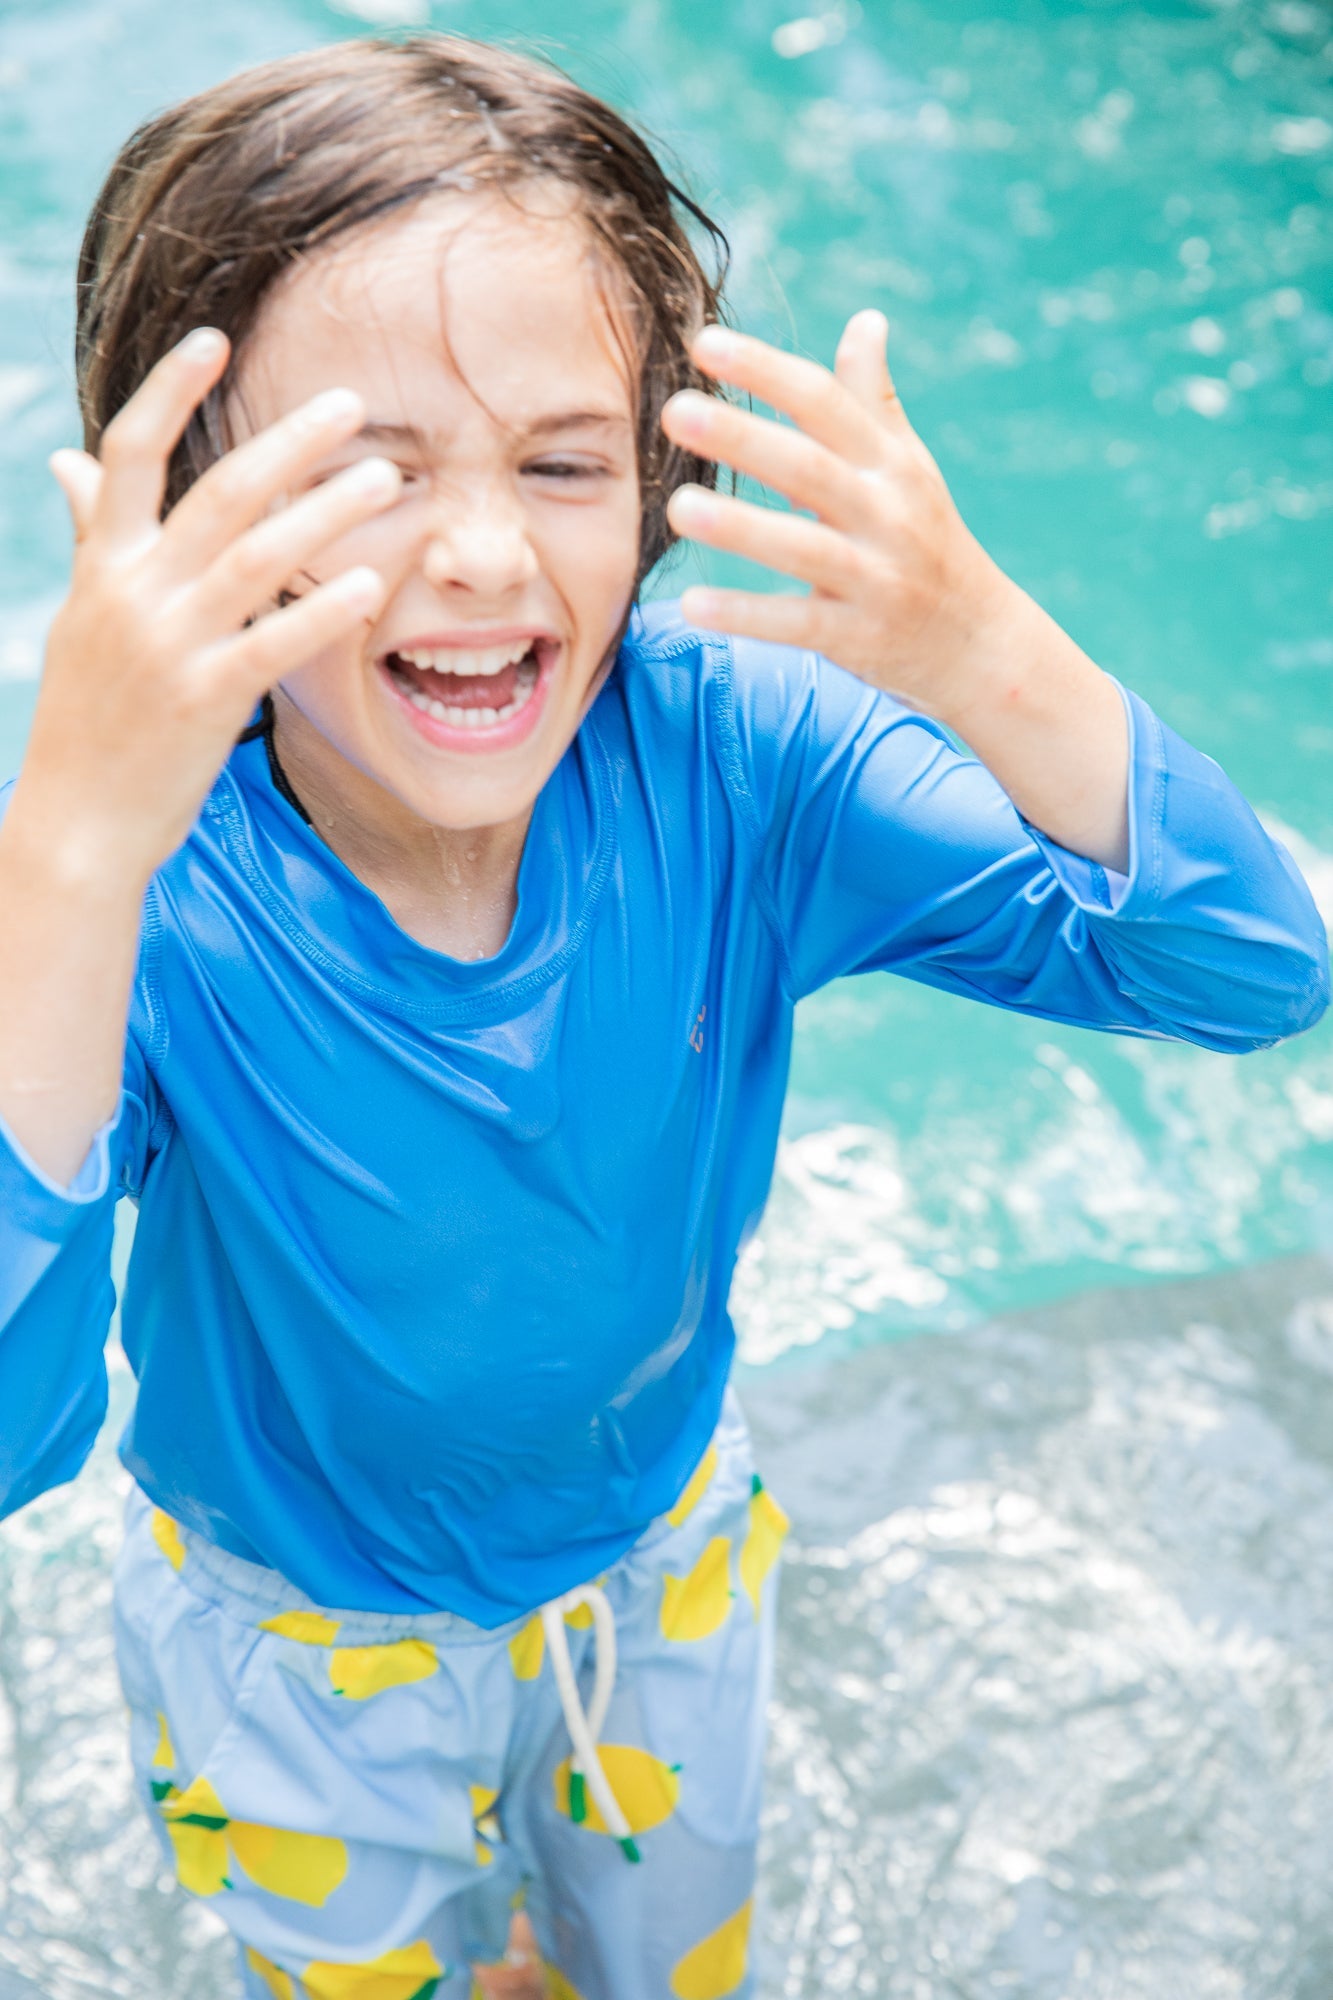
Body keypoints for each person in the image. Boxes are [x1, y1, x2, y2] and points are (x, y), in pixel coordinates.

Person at [0, 31, 1326, 2000]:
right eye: (366, 473)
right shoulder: (146, 891)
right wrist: (69, 857)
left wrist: (978, 642)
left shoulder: (739, 765)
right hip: (299, 1657)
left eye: (561, 463)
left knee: (670, 1971)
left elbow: (1244, 964)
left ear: (661, 486)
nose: (479, 551)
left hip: (659, 1564)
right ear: (183, 529)